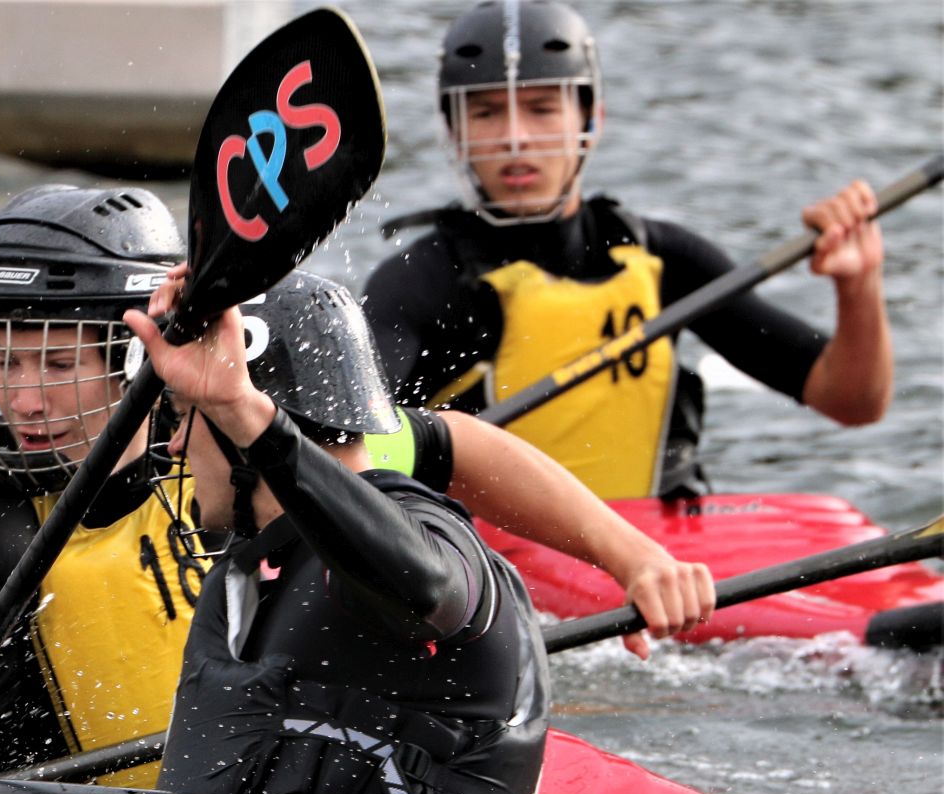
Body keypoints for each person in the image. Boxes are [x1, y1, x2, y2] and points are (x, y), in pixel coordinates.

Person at [0, 185, 705, 794]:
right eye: (4, 356)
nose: (23, 394)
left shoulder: (246, 434)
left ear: (137, 352)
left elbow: (454, 447)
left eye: (57, 358)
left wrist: (631, 555)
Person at [361, 0, 893, 501]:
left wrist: (859, 286)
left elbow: (852, 401)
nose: (516, 138)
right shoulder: (416, 284)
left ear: (590, 120)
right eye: (486, 113)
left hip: (657, 544)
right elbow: (350, 447)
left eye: (542, 108)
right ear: (454, 133)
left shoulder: (662, 260)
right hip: (487, 555)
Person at [131, 268, 547, 794]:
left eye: (184, 417)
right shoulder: (252, 573)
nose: (175, 444)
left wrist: (245, 413)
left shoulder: (432, 540)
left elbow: (429, 593)